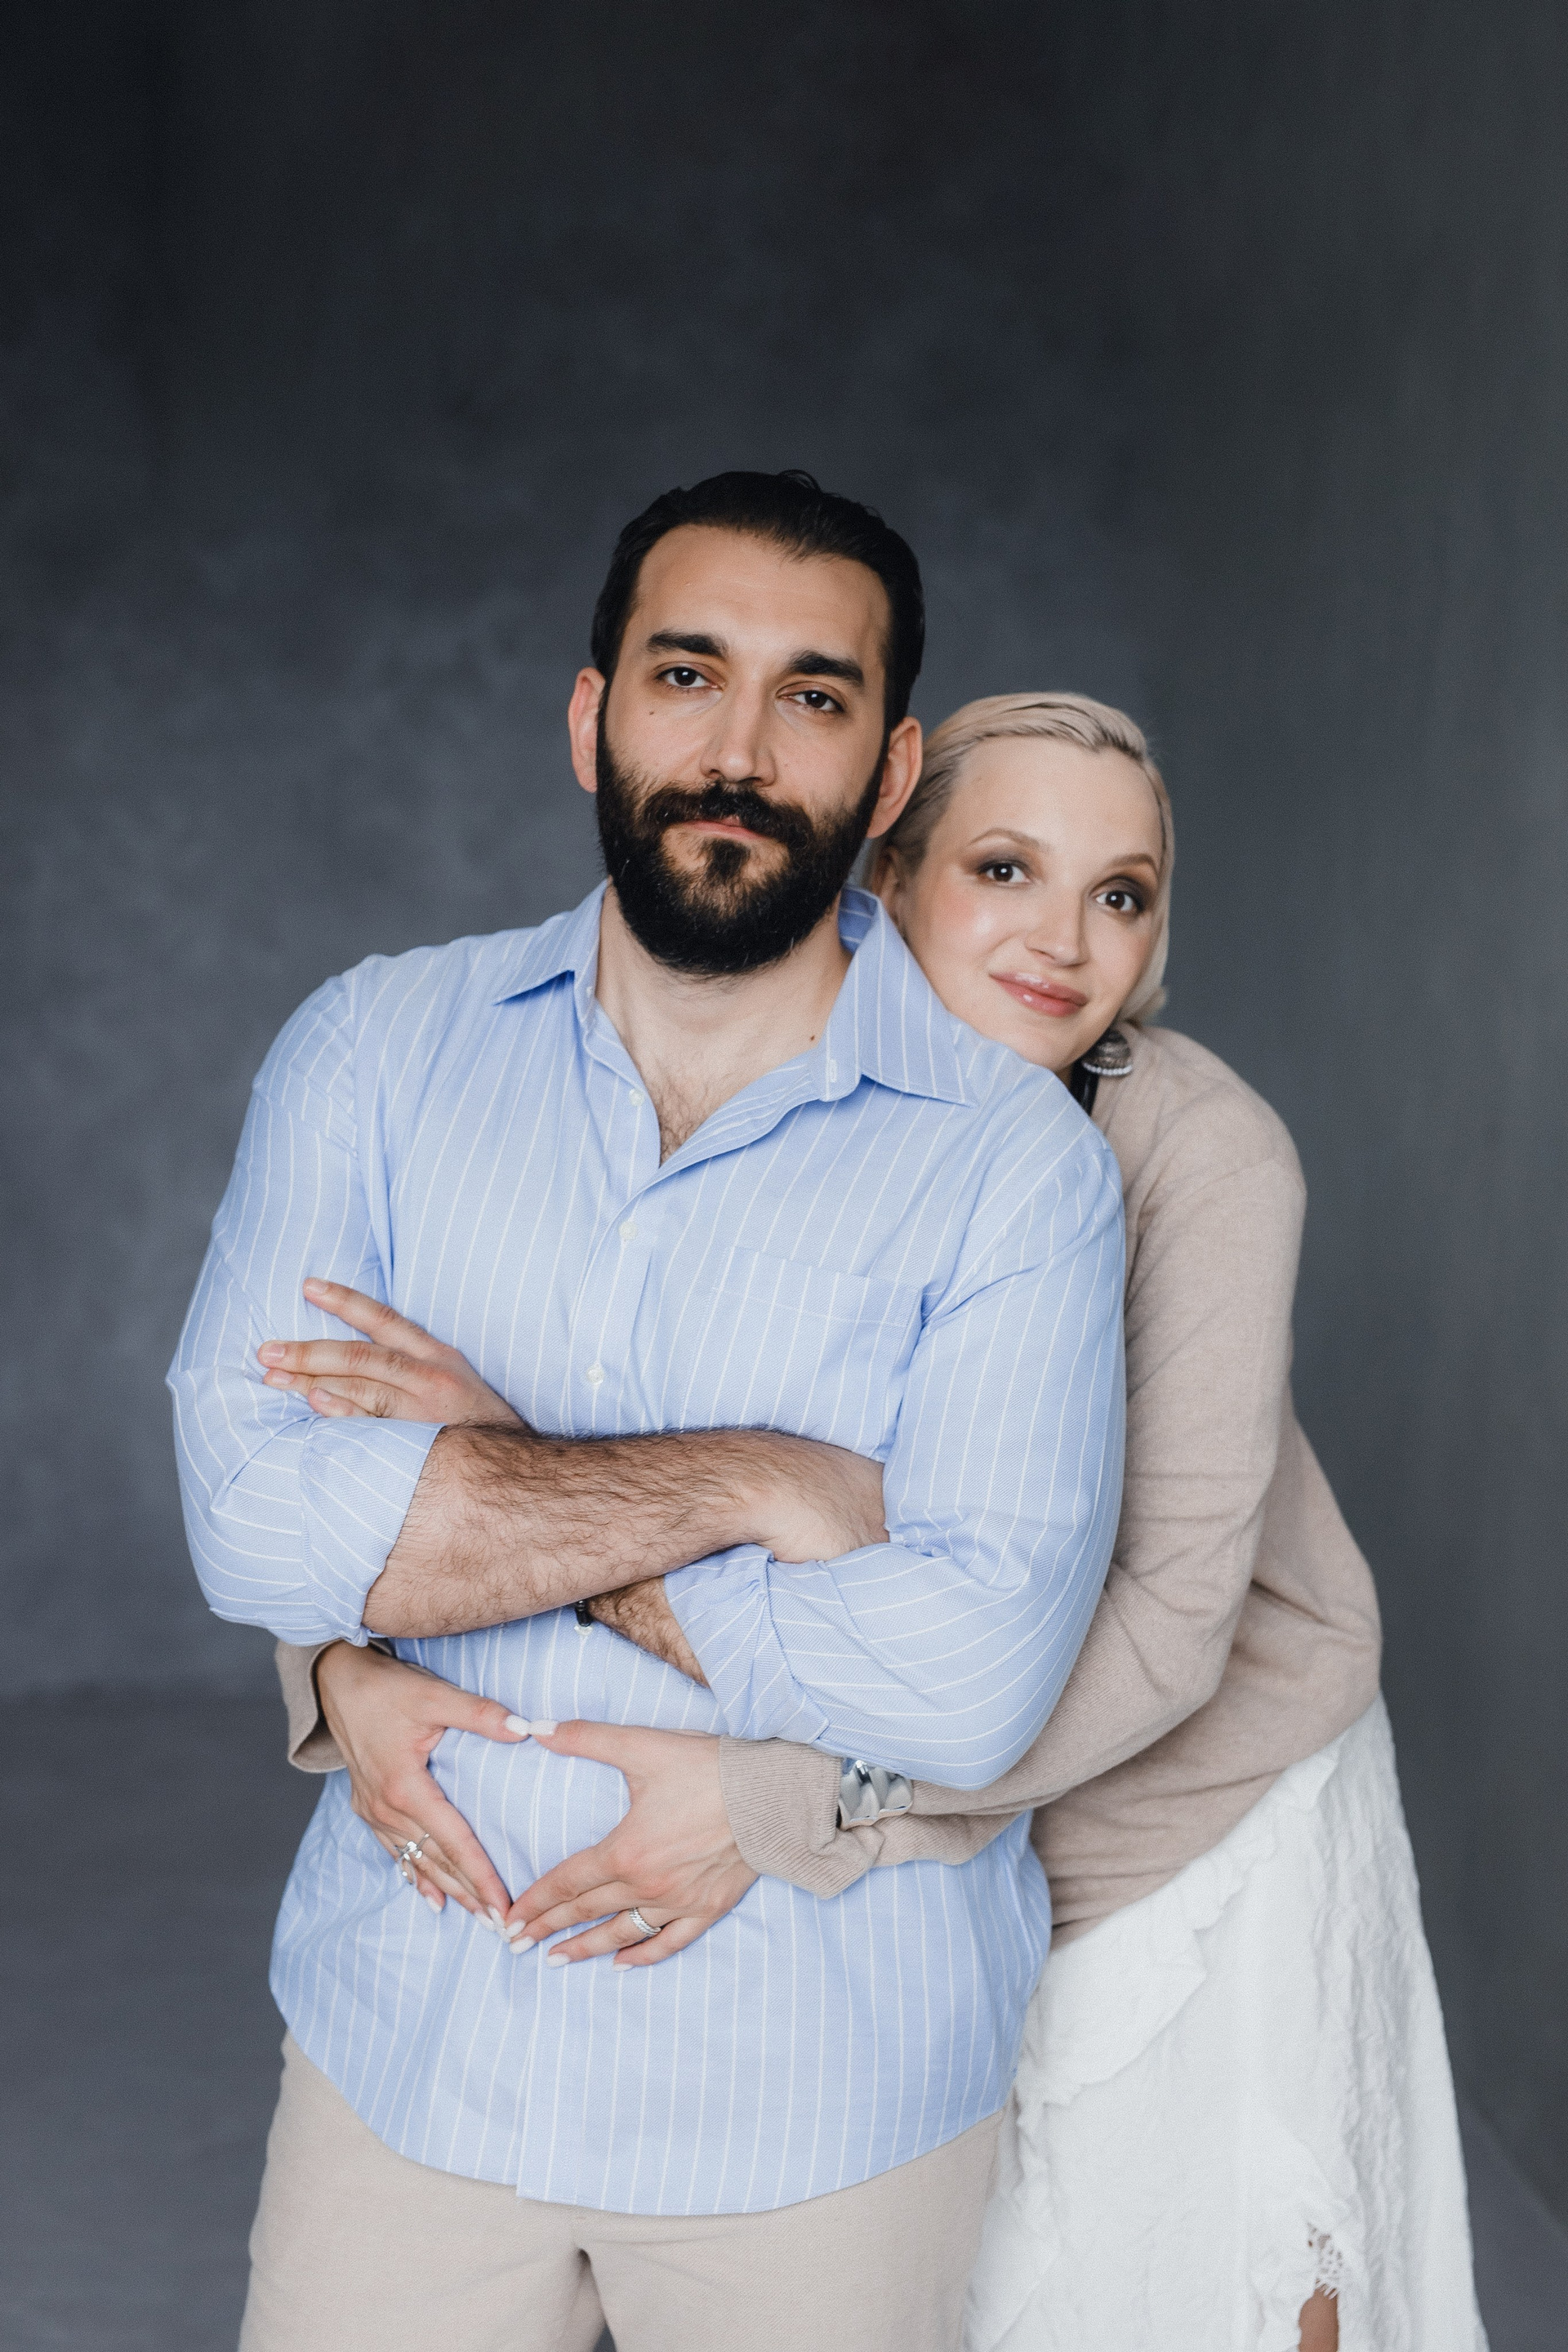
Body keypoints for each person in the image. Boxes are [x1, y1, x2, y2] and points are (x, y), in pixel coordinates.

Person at [284, 693, 1490, 2350]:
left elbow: (1162, 1631)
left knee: (1210, 2285)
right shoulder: (752, 1067)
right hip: (902, 1811)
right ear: (885, 873)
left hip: (1176, 1806)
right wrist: (336, 1662)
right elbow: (477, 1407)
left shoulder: (1203, 1157)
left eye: (1122, 894)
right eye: (1004, 869)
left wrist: (783, 1796)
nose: (1064, 940)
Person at [170, 479, 1129, 2352]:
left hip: (821, 2095)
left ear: (894, 764)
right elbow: (258, 1527)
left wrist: (475, 1492)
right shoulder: (374, 1051)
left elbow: (964, 1683)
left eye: (814, 696)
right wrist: (765, 1482)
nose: (740, 752)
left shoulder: (1016, 1168)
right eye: (688, 675)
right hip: (411, 2049)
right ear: (592, 713)